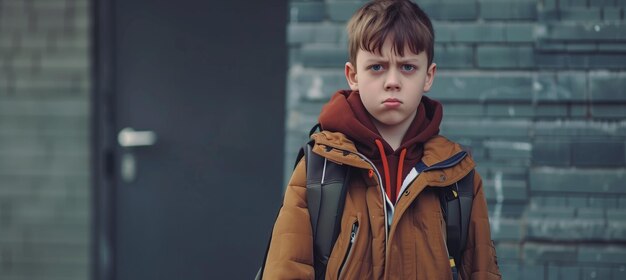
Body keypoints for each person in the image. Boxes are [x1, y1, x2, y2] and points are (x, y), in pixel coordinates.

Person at [262, 0, 501, 279]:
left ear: (428, 76)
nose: (392, 81)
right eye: (377, 67)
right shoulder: (320, 167)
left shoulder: (458, 175)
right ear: (353, 75)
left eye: (407, 67)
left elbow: (482, 271)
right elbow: (285, 270)